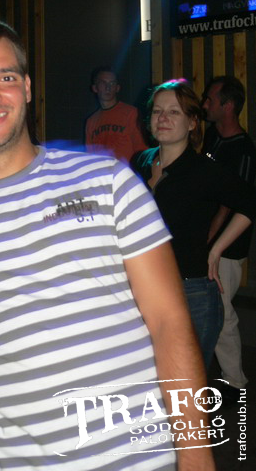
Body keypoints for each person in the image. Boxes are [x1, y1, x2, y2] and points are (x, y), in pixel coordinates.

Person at [0, 17, 216, 471]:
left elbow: (169, 323)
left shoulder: (108, 182)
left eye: (5, 77)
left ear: (27, 88)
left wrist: (197, 457)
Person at [131, 79, 255, 369]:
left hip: (191, 293)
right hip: (145, 290)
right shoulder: (142, 161)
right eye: (157, 111)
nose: (163, 118)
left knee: (183, 384)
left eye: (174, 112)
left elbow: (250, 202)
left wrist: (216, 249)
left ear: (191, 122)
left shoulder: (204, 170)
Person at [202, 75, 256, 395]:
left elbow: (237, 204)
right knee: (209, 309)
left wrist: (213, 240)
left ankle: (235, 382)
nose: (205, 104)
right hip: (205, 240)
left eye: (211, 99)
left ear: (229, 106)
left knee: (222, 312)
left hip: (228, 247)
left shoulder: (244, 151)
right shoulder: (213, 137)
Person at [85, 66, 147, 161]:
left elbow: (141, 150)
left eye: (112, 83)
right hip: (101, 170)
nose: (108, 87)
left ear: (117, 88)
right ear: (95, 88)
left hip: (126, 169)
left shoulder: (131, 113)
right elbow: (90, 157)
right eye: (103, 83)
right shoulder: (91, 121)